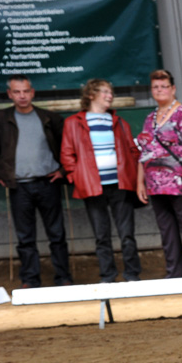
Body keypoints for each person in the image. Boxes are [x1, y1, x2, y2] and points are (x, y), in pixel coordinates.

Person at [61, 79, 142, 283]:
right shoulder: (73, 123)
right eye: (104, 92)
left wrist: (134, 177)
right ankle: (108, 275)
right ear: (90, 95)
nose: (109, 95)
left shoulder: (120, 122)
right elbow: (67, 155)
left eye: (111, 92)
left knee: (127, 234)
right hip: (91, 187)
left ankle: (132, 274)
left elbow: (133, 151)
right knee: (101, 235)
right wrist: (77, 177)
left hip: (120, 185)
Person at [0, 75, 73, 288]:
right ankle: (30, 280)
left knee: (57, 234)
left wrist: (64, 171)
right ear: (9, 94)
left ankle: (64, 278)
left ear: (33, 92)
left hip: (48, 182)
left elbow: (67, 147)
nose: (22, 96)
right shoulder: (0, 119)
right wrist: (0, 174)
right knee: (25, 237)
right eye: (17, 92)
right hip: (19, 186)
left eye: (25, 91)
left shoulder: (49, 118)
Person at [135, 69, 182, 278]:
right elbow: (144, 151)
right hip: (156, 186)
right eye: (155, 87)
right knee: (167, 233)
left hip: (180, 184)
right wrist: (140, 183)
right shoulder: (150, 118)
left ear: (173, 88)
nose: (160, 90)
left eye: (164, 86)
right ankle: (173, 275)